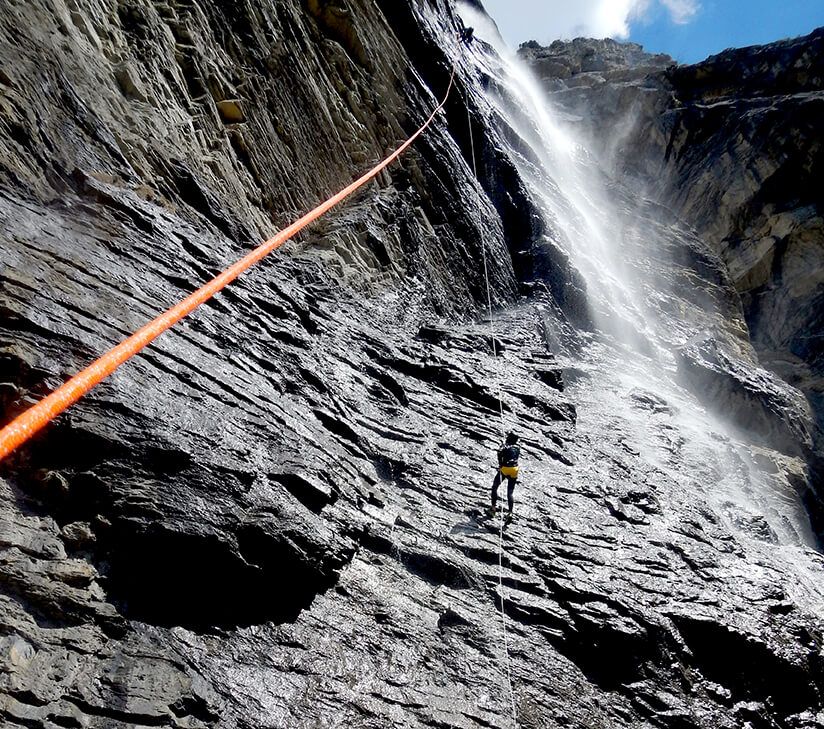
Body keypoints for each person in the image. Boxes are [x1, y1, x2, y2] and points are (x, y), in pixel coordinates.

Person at [488, 433, 520, 519]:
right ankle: (510, 512)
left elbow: (499, 454)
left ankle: (493, 508)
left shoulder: (505, 446)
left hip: (505, 469)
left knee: (495, 487)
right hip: (515, 469)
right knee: (510, 492)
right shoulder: (518, 448)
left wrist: (500, 464)